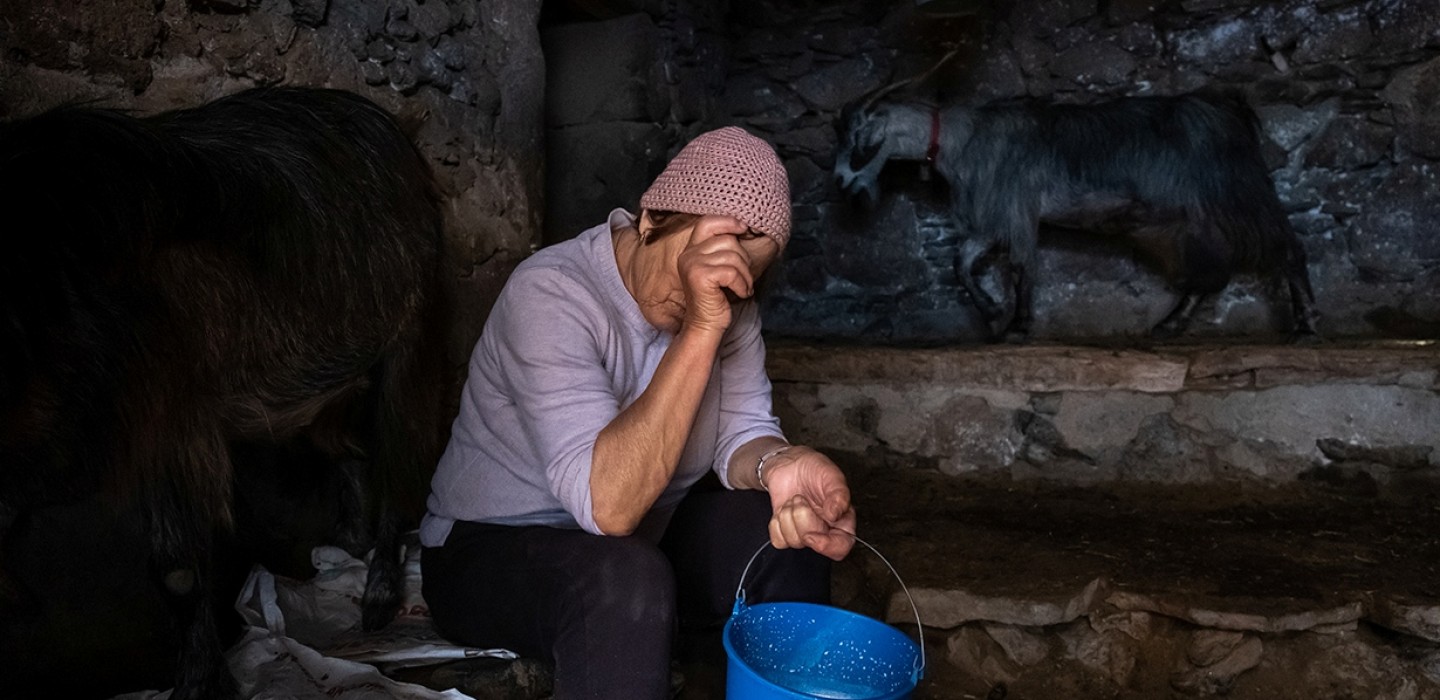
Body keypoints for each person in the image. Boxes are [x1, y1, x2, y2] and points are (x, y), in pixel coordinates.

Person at [419, 126, 857, 698]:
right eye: (700, 264)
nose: (714, 294)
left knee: (783, 539)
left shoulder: (732, 309)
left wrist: (780, 464)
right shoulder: (550, 293)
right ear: (651, 221)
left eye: (735, 284)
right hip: (491, 549)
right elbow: (610, 506)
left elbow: (741, 433)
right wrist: (701, 328)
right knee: (624, 578)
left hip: (646, 533)